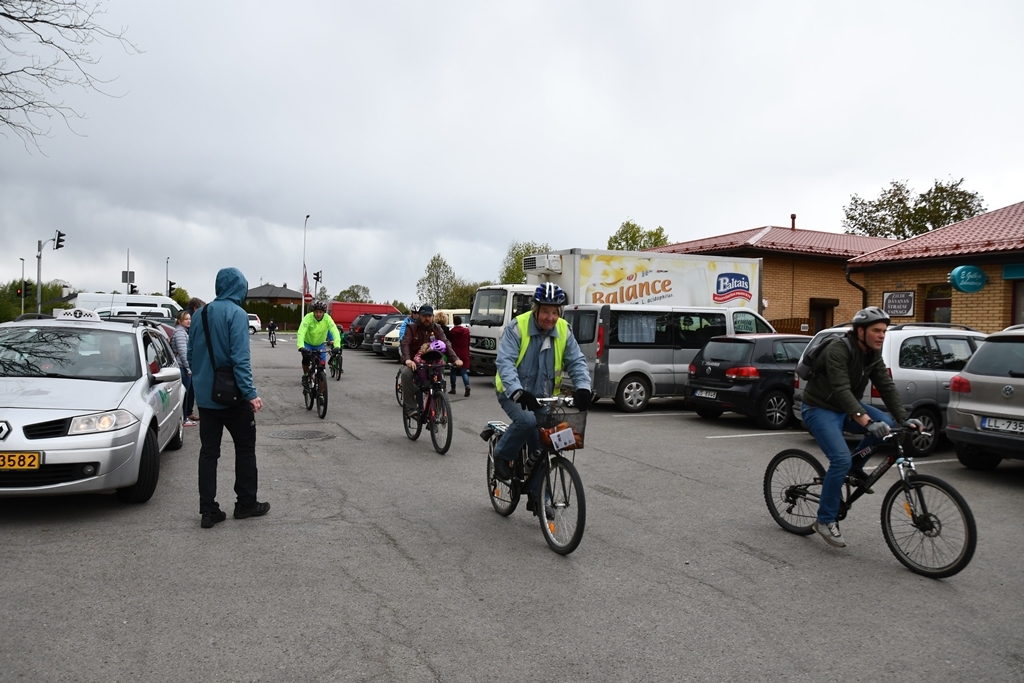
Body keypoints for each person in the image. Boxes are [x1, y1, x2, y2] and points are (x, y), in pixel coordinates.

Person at [801, 306, 922, 548]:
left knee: (886, 425)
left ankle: (856, 467)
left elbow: (886, 386)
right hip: (819, 409)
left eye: (884, 331)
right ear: (860, 331)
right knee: (840, 460)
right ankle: (824, 520)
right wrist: (866, 421)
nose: (881, 335)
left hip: (846, 408)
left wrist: (902, 418)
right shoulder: (838, 349)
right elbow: (841, 389)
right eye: (876, 330)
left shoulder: (872, 354)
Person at [187, 267, 268, 529]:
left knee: (208, 453)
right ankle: (245, 504)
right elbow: (240, 359)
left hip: (206, 399)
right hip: (232, 398)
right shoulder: (237, 314)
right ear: (239, 287)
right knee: (245, 448)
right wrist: (250, 394)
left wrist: (201, 380)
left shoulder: (200, 314)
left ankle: (208, 510)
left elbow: (190, 355)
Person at [491, 283, 592, 485]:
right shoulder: (518, 327)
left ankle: (540, 499)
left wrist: (583, 387)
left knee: (544, 444)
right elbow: (505, 362)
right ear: (535, 310)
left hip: (543, 396)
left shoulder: (563, 330)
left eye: (555, 312)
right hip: (514, 393)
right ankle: (502, 455)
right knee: (527, 421)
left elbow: (576, 361)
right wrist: (517, 391)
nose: (551, 317)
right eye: (545, 311)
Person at [400, 304, 462, 418]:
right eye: (424, 316)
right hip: (415, 362)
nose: (427, 318)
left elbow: (446, 343)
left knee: (440, 383)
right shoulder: (412, 328)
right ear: (419, 316)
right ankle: (410, 407)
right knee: (405, 375)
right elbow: (405, 344)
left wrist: (455, 359)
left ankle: (435, 414)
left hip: (432, 362)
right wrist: (408, 360)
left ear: (433, 316)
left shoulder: (437, 328)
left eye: (429, 316)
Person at [296, 299, 341, 385]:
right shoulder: (308, 318)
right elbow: (301, 332)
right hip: (307, 344)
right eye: (316, 312)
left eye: (320, 312)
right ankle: (305, 375)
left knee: (322, 369)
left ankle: (320, 394)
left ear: (324, 312)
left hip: (320, 345)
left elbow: (334, 330)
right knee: (306, 358)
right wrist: (301, 346)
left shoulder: (327, 318)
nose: (318, 314)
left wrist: (337, 346)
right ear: (313, 312)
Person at [171, 310, 198, 426]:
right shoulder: (180, 334)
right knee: (184, 394)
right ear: (180, 321)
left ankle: (185, 416)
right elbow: (183, 353)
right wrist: (188, 368)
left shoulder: (181, 332)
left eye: (189, 319)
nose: (189, 321)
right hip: (182, 367)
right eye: (186, 319)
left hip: (182, 366)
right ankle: (184, 418)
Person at [447, 314, 471, 396]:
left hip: (455, 353)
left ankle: (453, 388)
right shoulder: (466, 331)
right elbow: (468, 342)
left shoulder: (452, 332)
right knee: (464, 372)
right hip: (464, 353)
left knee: (453, 372)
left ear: (454, 322)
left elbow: (449, 342)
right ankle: (467, 386)